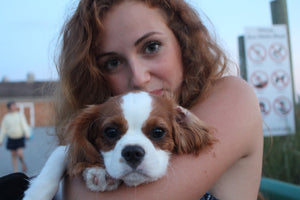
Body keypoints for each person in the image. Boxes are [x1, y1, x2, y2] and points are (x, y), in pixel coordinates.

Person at [53, 0, 263, 199]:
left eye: (151, 47)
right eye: (113, 62)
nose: (138, 78)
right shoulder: (105, 130)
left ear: (184, 42)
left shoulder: (233, 95)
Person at [0, 101, 30, 173]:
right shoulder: (6, 118)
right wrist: (0, 140)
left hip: (19, 138)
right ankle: (15, 170)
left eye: (15, 105)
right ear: (9, 108)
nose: (15, 107)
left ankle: (22, 163)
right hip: (11, 138)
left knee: (19, 153)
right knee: (13, 154)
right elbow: (3, 129)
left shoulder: (20, 115)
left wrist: (27, 133)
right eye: (13, 106)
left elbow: (24, 125)